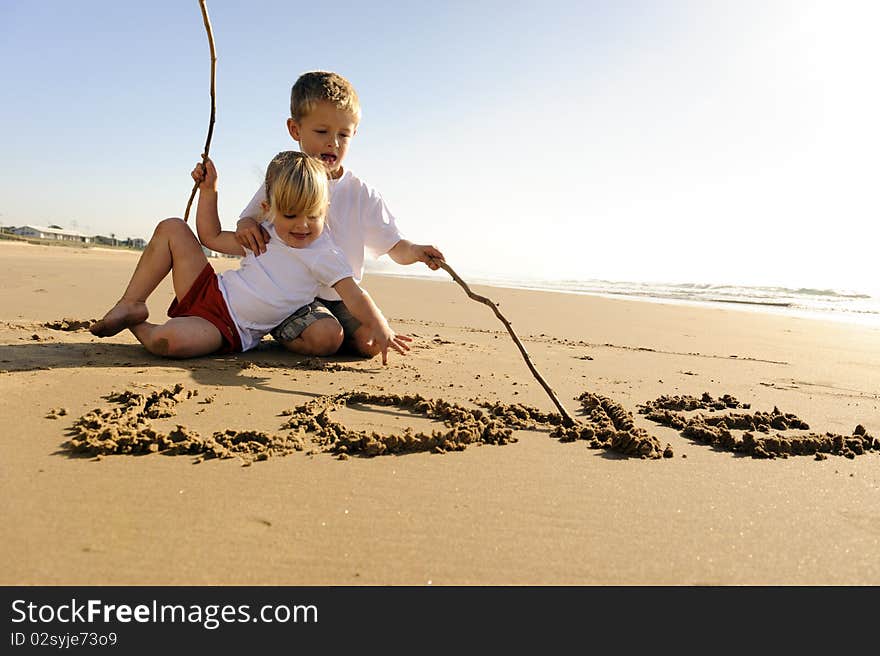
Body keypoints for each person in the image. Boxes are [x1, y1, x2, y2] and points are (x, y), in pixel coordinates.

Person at [89, 151, 411, 364]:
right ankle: (132, 301)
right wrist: (210, 190)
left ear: (324, 210)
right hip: (208, 289)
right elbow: (211, 237)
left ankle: (138, 324)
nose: (301, 225)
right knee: (173, 227)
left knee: (166, 343)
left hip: (227, 327)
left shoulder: (325, 254)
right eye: (290, 215)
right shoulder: (265, 233)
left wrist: (380, 325)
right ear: (269, 210)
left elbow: (355, 295)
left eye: (312, 216)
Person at [235, 70, 444, 358]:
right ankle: (289, 326)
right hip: (295, 295)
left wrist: (417, 252)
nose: (333, 142)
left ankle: (333, 331)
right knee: (325, 339)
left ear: (354, 134)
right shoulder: (286, 178)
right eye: (321, 132)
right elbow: (250, 218)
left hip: (343, 296)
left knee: (370, 344)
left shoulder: (361, 192)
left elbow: (395, 247)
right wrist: (246, 225)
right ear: (295, 130)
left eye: (343, 135)